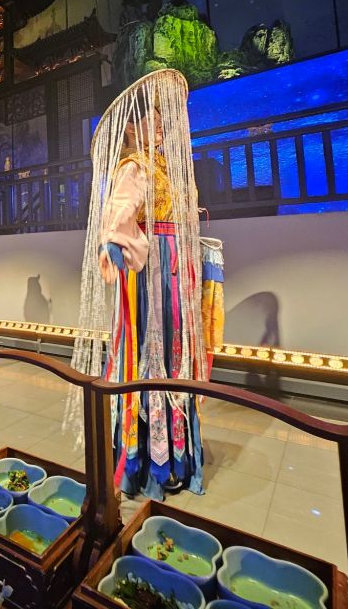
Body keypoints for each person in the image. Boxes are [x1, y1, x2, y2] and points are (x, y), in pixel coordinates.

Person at [68, 68, 223, 501]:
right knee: (150, 354)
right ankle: (147, 458)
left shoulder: (167, 168)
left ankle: (176, 453)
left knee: (176, 352)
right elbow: (117, 220)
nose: (158, 125)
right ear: (132, 127)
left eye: (160, 118)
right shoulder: (135, 168)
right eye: (150, 119)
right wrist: (119, 250)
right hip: (152, 277)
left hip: (174, 273)